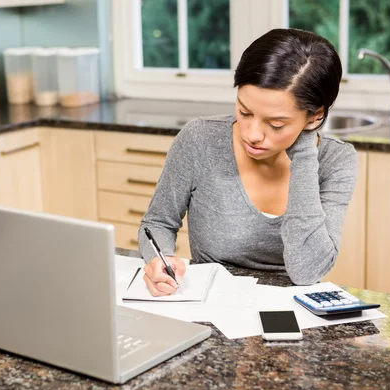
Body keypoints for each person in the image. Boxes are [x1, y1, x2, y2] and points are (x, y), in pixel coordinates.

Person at [138, 28, 358, 296]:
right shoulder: (200, 139)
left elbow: (307, 270)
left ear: (314, 116)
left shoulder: (336, 161)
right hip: (212, 304)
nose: (252, 134)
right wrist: (157, 260)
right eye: (244, 111)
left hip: (292, 310)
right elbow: (157, 223)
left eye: (276, 124)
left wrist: (303, 152)